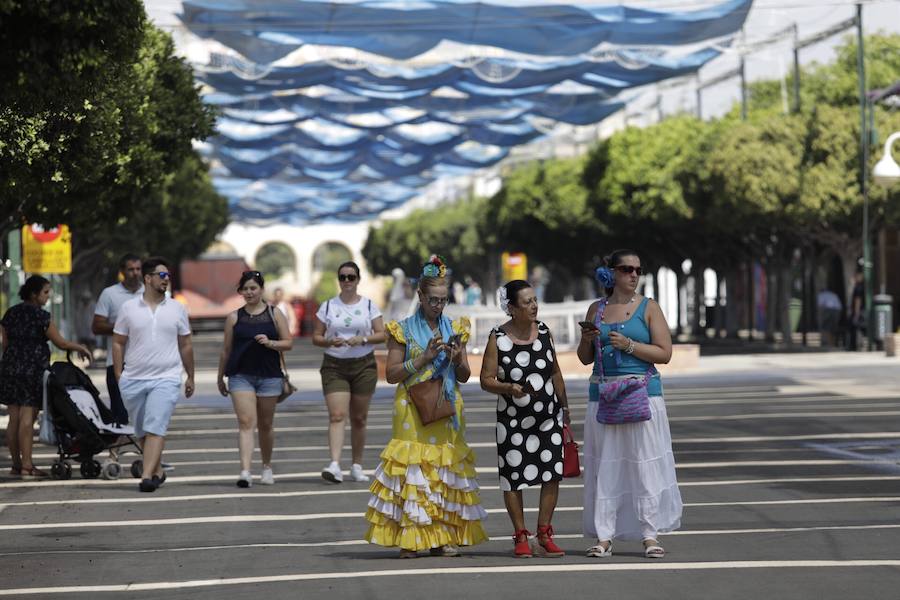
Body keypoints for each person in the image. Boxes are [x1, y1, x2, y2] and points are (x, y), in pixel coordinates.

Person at [364, 255, 488, 558]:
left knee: (444, 469)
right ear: (420, 296)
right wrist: (423, 357)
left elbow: (465, 375)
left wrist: (458, 358)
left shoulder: (456, 327)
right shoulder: (401, 329)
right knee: (414, 471)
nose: (438, 306)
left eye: (443, 300)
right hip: (411, 406)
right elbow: (392, 375)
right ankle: (412, 537)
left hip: (446, 405)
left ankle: (444, 535)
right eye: (433, 300)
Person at [576, 249, 682, 559]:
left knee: (644, 464)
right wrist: (587, 338)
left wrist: (631, 346)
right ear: (611, 273)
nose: (634, 274)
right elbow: (585, 358)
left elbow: (665, 353)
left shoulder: (649, 308)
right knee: (604, 466)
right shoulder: (596, 309)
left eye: (637, 269)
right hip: (604, 395)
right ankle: (604, 535)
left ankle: (650, 534)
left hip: (642, 394)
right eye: (626, 269)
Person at [479, 279, 571, 558]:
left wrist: (565, 410)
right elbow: (485, 379)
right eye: (527, 302)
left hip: (548, 416)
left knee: (552, 474)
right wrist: (508, 388)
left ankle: (544, 533)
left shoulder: (544, 331)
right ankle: (521, 534)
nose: (534, 306)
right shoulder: (498, 338)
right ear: (511, 308)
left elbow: (554, 372)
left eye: (534, 300)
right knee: (513, 476)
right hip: (513, 421)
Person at [113, 257, 194, 492]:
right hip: (134, 379)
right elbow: (118, 342)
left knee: (155, 426)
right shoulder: (128, 308)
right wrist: (119, 374)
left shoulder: (177, 308)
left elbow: (186, 344)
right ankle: (157, 470)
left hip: (166, 377)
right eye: (162, 275)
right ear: (148, 279)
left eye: (168, 276)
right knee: (142, 431)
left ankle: (147, 476)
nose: (166, 279)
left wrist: (190, 375)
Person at [0, 276, 90, 477]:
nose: (48, 296)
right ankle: (28, 465)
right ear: (34, 294)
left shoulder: (10, 314)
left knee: (13, 418)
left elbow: (5, 344)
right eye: (46, 292)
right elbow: (61, 343)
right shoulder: (42, 316)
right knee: (27, 418)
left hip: (10, 368)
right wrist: (80, 347)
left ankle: (16, 465)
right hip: (33, 369)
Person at [218, 271, 293, 488]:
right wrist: (219, 377)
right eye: (245, 289)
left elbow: (288, 342)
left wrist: (271, 343)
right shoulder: (234, 317)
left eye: (253, 288)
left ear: (261, 289)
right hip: (240, 376)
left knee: (266, 424)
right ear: (240, 291)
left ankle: (267, 467)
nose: (249, 292)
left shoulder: (274, 313)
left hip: (269, 375)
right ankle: (245, 471)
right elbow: (226, 350)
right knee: (245, 422)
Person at [313, 261, 385, 483]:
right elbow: (316, 337)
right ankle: (334, 464)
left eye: (351, 277)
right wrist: (328, 341)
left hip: (363, 364)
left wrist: (362, 339)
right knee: (337, 415)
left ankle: (356, 465)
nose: (346, 281)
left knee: (359, 418)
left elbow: (382, 334)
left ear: (358, 280)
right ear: (339, 280)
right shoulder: (328, 307)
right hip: (335, 366)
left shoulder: (369, 306)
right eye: (343, 277)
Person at [92, 253, 143, 425]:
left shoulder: (149, 293)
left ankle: (145, 447)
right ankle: (117, 449)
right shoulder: (110, 294)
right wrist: (123, 327)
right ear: (122, 271)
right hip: (116, 362)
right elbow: (97, 326)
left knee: (144, 413)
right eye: (130, 269)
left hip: (145, 362)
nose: (135, 273)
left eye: (138, 269)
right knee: (119, 413)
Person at [849, 270, 864, 351]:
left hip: (859, 311)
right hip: (860, 311)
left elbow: (857, 300)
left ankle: (856, 346)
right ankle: (858, 345)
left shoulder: (858, 287)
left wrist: (856, 313)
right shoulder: (861, 286)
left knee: (856, 328)